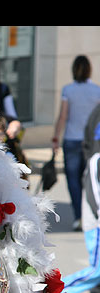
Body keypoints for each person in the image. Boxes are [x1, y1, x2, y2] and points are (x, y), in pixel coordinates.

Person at [52, 55, 100, 231]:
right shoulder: (96, 91)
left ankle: (78, 217)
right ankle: (92, 214)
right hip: (93, 142)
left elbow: (63, 116)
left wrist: (56, 137)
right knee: (90, 179)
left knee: (73, 180)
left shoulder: (68, 90)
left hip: (71, 140)